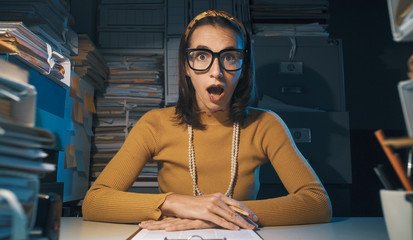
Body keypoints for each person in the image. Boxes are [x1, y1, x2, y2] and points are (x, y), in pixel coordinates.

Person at [82, 9, 332, 231]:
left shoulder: (266, 124)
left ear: (243, 68)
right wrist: (179, 203)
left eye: (230, 57)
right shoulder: (154, 124)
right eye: (202, 56)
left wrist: (219, 216)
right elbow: (95, 202)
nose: (216, 71)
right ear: (187, 67)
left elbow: (317, 203)